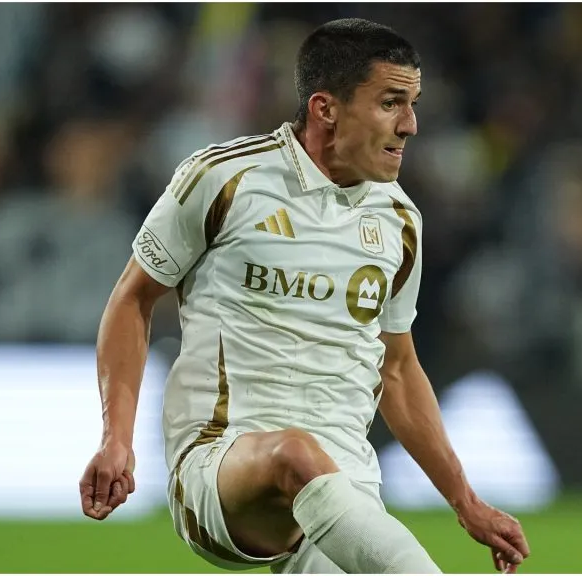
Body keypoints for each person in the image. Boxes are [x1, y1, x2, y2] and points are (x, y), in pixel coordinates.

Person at [78, 17, 530, 574]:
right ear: (326, 109)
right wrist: (116, 439)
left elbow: (397, 369)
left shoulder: (400, 220)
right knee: (294, 453)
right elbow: (132, 299)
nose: (410, 125)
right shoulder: (225, 180)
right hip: (223, 464)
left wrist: (467, 503)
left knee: (313, 468)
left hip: (346, 486)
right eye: (391, 102)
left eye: (412, 104)